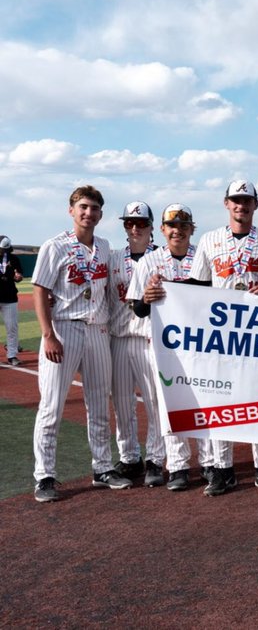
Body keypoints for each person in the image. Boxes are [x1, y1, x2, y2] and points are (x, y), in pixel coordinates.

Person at [31, 185, 132, 502]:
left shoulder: (103, 247)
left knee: (100, 404)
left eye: (95, 208)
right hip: (65, 328)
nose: (89, 213)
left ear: (101, 214)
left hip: (98, 330)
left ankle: (102, 468)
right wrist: (48, 334)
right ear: (71, 210)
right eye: (83, 207)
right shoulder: (55, 246)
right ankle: (44, 475)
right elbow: (39, 290)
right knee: (52, 406)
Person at [188, 180, 258, 496]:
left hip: (257, 334)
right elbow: (197, 287)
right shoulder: (209, 240)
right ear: (226, 203)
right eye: (235, 200)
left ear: (256, 204)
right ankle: (222, 470)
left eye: (247, 200)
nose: (241, 205)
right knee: (219, 398)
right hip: (220, 334)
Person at [126, 203, 211, 491]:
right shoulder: (148, 262)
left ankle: (209, 462)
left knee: (203, 400)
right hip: (162, 347)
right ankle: (177, 467)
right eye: (172, 226)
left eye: (184, 226)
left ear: (191, 229)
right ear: (162, 229)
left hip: (200, 345)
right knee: (169, 405)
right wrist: (147, 299)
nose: (178, 231)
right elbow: (137, 309)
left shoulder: (203, 257)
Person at [108, 200, 162, 484]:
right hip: (119, 338)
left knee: (154, 401)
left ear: (152, 227)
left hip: (149, 339)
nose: (135, 228)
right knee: (122, 403)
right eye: (129, 222)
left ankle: (155, 459)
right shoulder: (114, 258)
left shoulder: (161, 257)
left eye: (141, 223)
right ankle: (129, 458)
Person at [0, 235, 22, 366]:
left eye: (5, 250)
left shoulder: (14, 259)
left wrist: (18, 277)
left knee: (12, 327)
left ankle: (12, 355)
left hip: (10, 298)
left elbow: (19, 276)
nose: (3, 252)